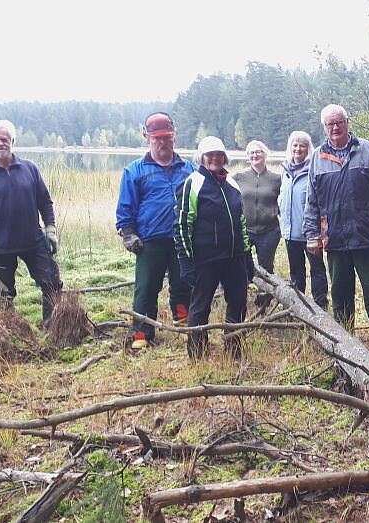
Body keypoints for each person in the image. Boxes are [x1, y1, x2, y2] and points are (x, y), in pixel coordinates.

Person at [303, 104, 369, 342]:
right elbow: (311, 200)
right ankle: (345, 341)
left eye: (339, 122)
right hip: (334, 238)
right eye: (330, 124)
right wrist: (312, 235)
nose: (335, 127)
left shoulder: (367, 150)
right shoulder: (317, 158)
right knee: (340, 292)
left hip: (366, 234)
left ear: (347, 122)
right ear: (324, 128)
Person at [0, 120, 63, 328]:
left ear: (13, 141)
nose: (0, 143)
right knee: (3, 293)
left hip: (34, 242)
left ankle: (53, 325)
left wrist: (50, 229)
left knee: (52, 283)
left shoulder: (30, 169)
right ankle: (9, 331)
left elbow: (45, 202)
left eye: (5, 139)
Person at [115, 112, 195, 350]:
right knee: (147, 287)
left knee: (183, 283)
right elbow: (126, 207)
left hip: (181, 238)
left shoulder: (188, 168)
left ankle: (182, 322)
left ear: (174, 137)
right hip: (149, 240)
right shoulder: (134, 171)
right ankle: (142, 333)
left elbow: (196, 202)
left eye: (166, 137)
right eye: (156, 137)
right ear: (146, 138)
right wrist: (128, 232)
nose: (162, 142)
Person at [174, 137, 254, 359]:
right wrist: (186, 262)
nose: (215, 158)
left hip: (234, 257)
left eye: (219, 154)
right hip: (205, 259)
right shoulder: (193, 182)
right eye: (210, 154)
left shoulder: (233, 184)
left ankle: (233, 350)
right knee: (200, 307)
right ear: (201, 157)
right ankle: (197, 355)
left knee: (238, 303)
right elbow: (182, 224)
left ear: (225, 157)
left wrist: (247, 257)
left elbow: (241, 223)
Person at [279, 131, 328, 309]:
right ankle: (298, 309)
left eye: (302, 145)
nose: (298, 149)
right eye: (295, 145)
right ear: (290, 148)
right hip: (290, 234)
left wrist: (318, 231)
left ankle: (320, 307)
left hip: (310, 234)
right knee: (296, 273)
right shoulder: (284, 171)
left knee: (317, 271)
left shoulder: (313, 170)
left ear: (308, 149)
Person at [233, 140, 281, 274]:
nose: (255, 155)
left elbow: (286, 200)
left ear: (265, 154)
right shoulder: (238, 176)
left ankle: (265, 294)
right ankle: (243, 292)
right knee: (240, 265)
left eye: (258, 152)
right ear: (248, 156)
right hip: (245, 230)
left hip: (269, 231)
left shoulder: (276, 178)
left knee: (266, 268)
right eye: (251, 153)